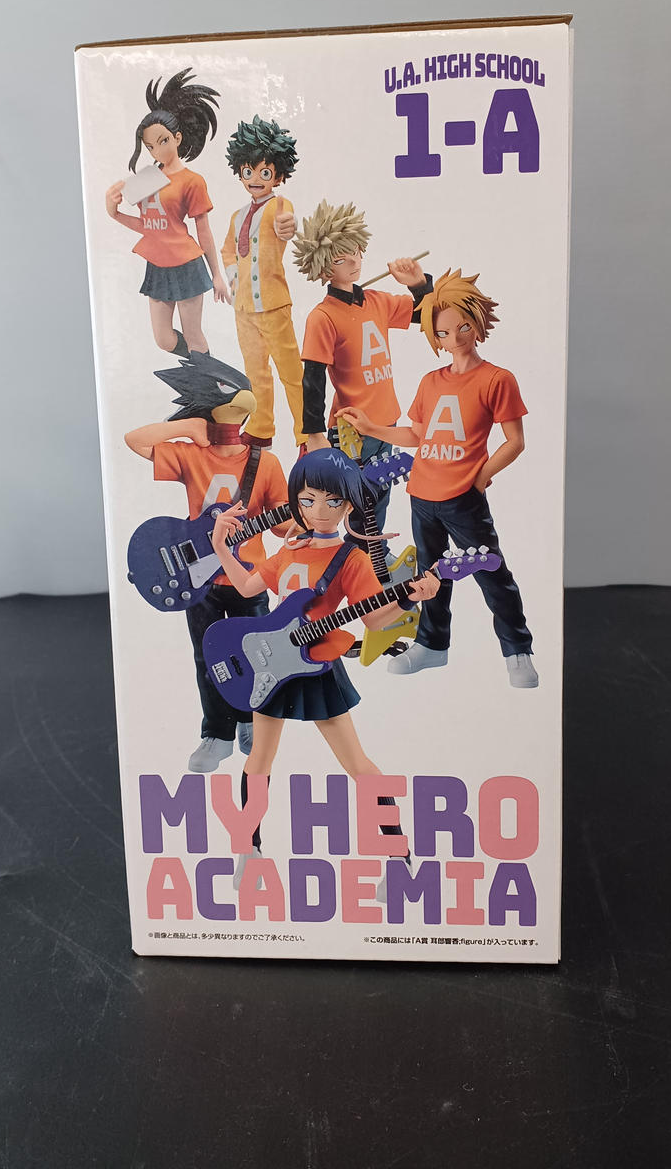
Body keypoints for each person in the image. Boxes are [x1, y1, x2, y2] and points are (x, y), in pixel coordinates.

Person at [208, 448, 440, 886]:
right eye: (308, 500)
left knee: (357, 764)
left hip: (316, 667)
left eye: (333, 502)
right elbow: (247, 585)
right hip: (272, 668)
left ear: (349, 506)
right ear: (296, 500)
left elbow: (374, 619)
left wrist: (411, 598)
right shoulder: (289, 550)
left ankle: (398, 855)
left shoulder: (350, 559)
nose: (319, 510)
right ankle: (249, 850)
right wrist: (221, 546)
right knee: (258, 761)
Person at [338, 269, 538, 689]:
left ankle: (517, 650)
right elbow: (416, 435)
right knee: (428, 576)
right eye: (444, 332)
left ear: (478, 323)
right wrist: (371, 428)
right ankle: (431, 645)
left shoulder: (497, 379)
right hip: (421, 495)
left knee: (491, 572)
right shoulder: (431, 381)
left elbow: (515, 442)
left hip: (462, 497)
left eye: (463, 327)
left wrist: (481, 477)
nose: (456, 338)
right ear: (434, 337)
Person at [124, 352, 291, 772]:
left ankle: (253, 723)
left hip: (250, 577)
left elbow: (281, 527)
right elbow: (134, 439)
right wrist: (187, 428)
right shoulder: (191, 455)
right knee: (207, 657)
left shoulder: (266, 462)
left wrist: (306, 517)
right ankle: (217, 733)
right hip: (198, 579)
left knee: (258, 655)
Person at [292, 200, 431, 531]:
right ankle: (346, 558)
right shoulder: (323, 316)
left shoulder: (378, 301)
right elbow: (312, 379)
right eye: (342, 258)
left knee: (378, 499)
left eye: (356, 251)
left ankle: (369, 560)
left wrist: (418, 284)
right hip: (351, 430)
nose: (355, 262)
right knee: (345, 504)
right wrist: (313, 434)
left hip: (387, 423)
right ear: (324, 268)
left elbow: (427, 315)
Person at [106, 71, 230, 356]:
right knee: (163, 339)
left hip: (186, 264)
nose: (156, 151)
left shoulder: (192, 181)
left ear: (177, 137)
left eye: (162, 141)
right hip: (157, 264)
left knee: (193, 334)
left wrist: (217, 275)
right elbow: (148, 226)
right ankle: (204, 372)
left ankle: (205, 378)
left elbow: (203, 231)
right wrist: (114, 214)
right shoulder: (147, 178)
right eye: (150, 146)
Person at [220, 116, 305, 447]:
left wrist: (287, 226)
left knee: (291, 372)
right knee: (255, 371)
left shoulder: (280, 206)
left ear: (278, 176)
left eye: (265, 173)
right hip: (243, 309)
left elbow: (286, 224)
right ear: (239, 172)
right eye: (248, 172)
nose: (256, 179)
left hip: (273, 304)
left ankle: (306, 431)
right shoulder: (237, 216)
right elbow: (228, 251)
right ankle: (261, 427)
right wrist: (233, 278)